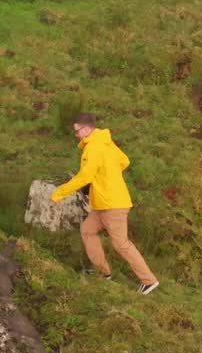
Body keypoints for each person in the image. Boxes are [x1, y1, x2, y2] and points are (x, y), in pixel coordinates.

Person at [51, 113, 160, 295]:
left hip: (112, 204)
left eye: (77, 131)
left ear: (86, 130)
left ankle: (149, 281)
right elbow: (124, 161)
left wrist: (59, 193)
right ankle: (104, 273)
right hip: (102, 203)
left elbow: (85, 176)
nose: (76, 134)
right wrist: (108, 176)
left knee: (121, 244)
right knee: (87, 230)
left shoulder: (93, 148)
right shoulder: (106, 141)